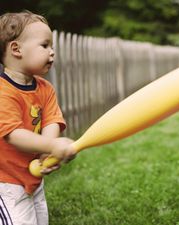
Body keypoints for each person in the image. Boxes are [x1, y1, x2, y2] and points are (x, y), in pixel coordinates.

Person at [0, 11, 76, 225]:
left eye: (52, 46)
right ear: (16, 49)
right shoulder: (3, 92)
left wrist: (46, 150)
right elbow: (13, 135)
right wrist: (52, 145)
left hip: (33, 175)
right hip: (6, 180)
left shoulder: (45, 88)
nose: (52, 53)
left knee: (40, 220)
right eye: (45, 46)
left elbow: (52, 120)